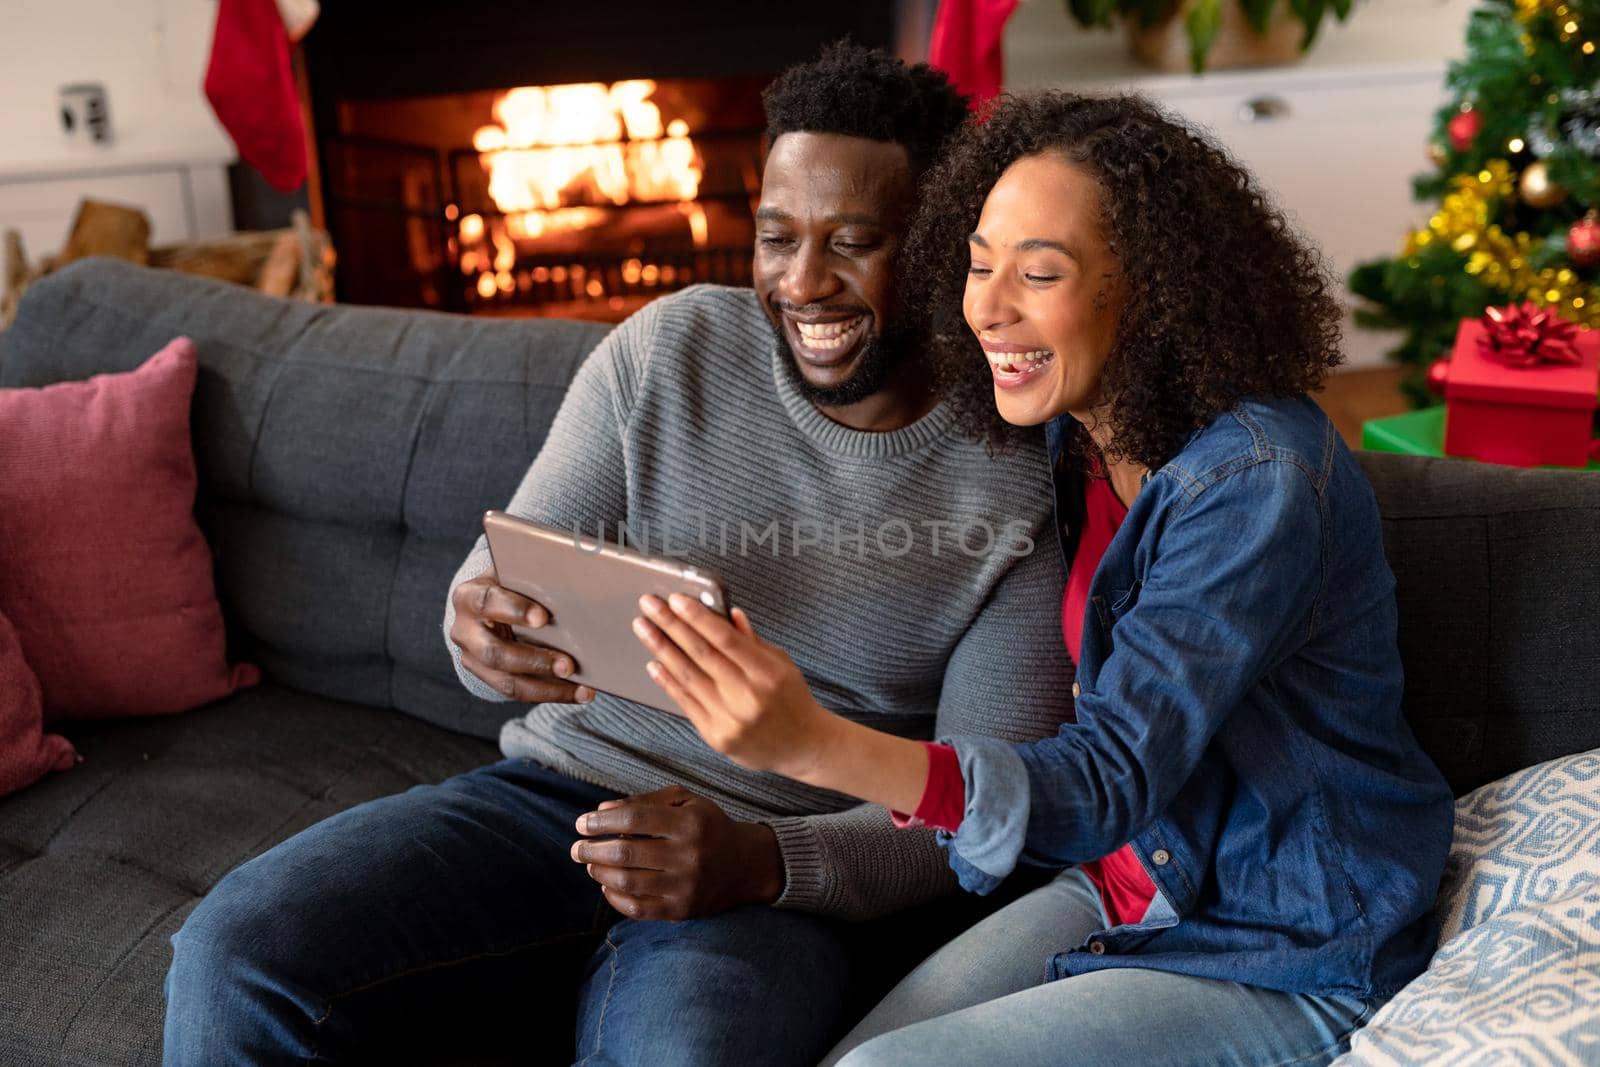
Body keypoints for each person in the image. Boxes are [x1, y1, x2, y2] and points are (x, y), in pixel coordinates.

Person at [161, 45, 1081, 1067]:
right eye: (776, 237)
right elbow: (498, 575)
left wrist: (765, 861)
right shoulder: (670, 347)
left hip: (769, 870)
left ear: (946, 239)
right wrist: (479, 623)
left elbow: (972, 816)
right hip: (558, 798)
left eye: (853, 241)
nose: (803, 281)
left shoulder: (1020, 479)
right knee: (236, 951)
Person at [632, 91, 1458, 1067]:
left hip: (1290, 938)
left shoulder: (1255, 483)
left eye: (1038, 271)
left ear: (1151, 287)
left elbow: (1108, 772)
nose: (985, 303)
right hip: (1127, 879)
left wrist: (815, 744)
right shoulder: (1074, 434)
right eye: (980, 263)